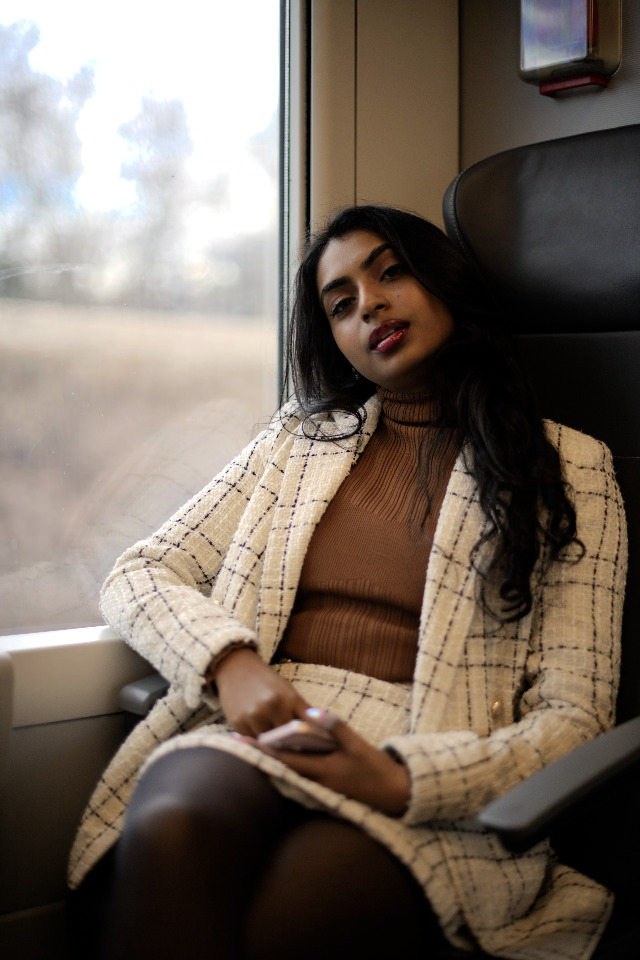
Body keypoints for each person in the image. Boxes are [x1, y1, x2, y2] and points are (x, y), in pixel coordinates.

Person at [67, 205, 627, 960]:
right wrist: (231, 666)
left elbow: (573, 715)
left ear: (445, 282)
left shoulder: (572, 466)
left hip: (432, 763)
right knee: (171, 829)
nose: (368, 303)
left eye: (390, 272)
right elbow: (138, 572)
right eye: (340, 303)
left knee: (276, 925)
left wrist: (403, 780)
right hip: (271, 721)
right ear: (336, 340)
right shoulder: (299, 441)